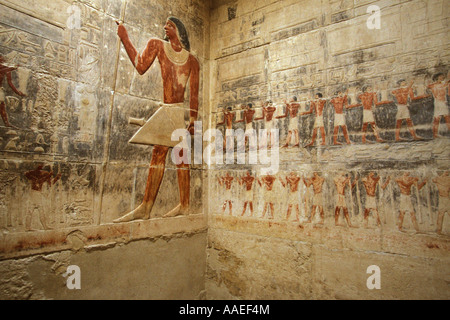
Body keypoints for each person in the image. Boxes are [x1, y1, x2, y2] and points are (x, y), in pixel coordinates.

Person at [113, 17, 199, 222]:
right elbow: (140, 66)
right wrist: (125, 38)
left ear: (178, 30)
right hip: (167, 110)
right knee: (161, 153)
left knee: (179, 156)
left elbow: (194, 95)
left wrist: (193, 120)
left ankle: (183, 205)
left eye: (169, 25)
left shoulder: (192, 60)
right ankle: (147, 206)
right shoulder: (158, 46)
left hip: (177, 110)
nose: (165, 27)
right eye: (166, 25)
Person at [0, 56, 26, 128]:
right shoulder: (5, 68)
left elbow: (10, 82)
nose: (2, 60)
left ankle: (6, 123)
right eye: (1, 59)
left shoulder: (6, 69)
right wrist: (12, 68)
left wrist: (18, 92)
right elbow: (3, 70)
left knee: (2, 106)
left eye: (3, 60)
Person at [427, 73, 450, 138]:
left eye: (442, 76)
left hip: (443, 102)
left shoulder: (444, 84)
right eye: (440, 76)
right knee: (437, 118)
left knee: (447, 117)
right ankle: (435, 134)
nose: (442, 77)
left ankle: (436, 134)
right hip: (438, 102)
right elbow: (428, 86)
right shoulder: (433, 85)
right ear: (437, 77)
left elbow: (447, 82)